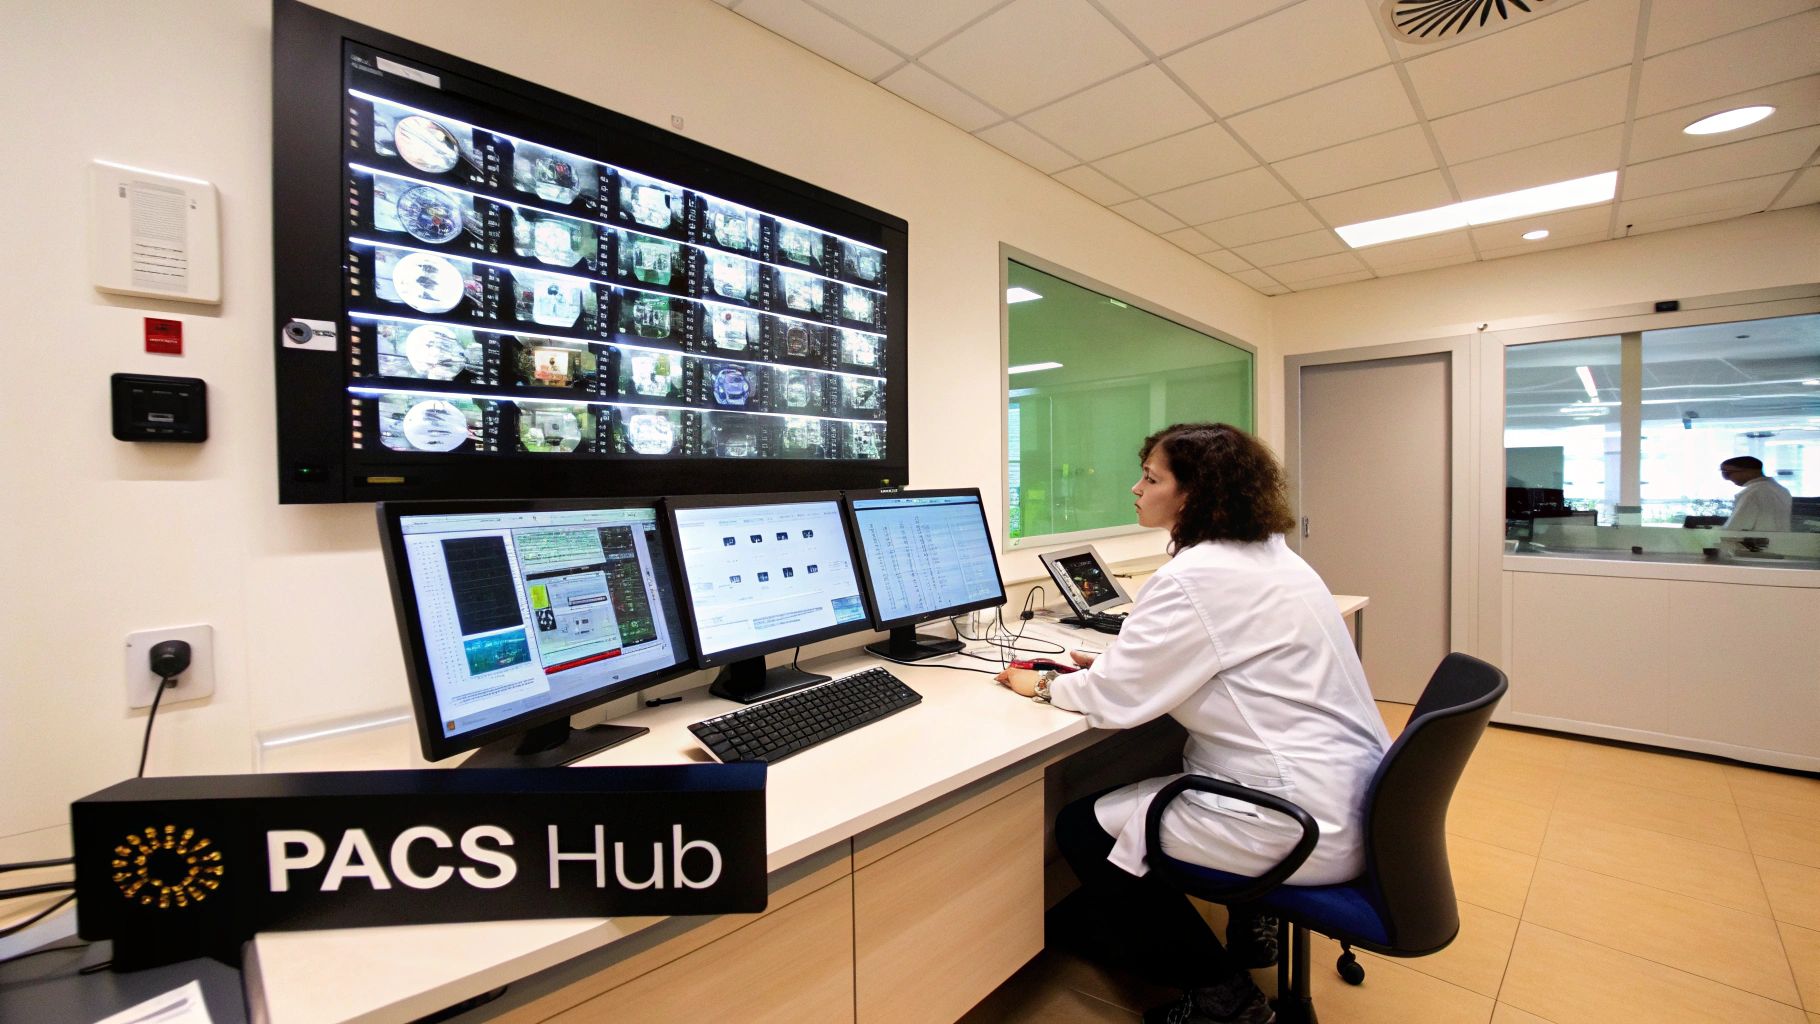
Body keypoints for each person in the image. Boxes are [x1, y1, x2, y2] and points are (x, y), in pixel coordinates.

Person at [997, 423, 1389, 1024]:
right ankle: (1252, 918)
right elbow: (1210, 657)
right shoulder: (1273, 556)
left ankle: (1222, 999)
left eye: (1151, 478)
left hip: (1292, 817)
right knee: (1134, 787)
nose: (1135, 488)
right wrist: (1121, 664)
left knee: (1082, 827)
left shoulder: (1195, 576)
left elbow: (1116, 701)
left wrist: (1044, 681)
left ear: (1193, 495)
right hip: (1349, 796)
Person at [1720, 456, 1792, 532]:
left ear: (1750, 471)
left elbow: (1735, 528)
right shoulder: (1781, 490)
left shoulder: (1752, 492)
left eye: (1727, 473)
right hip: (1780, 540)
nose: (1727, 478)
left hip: (1757, 541)